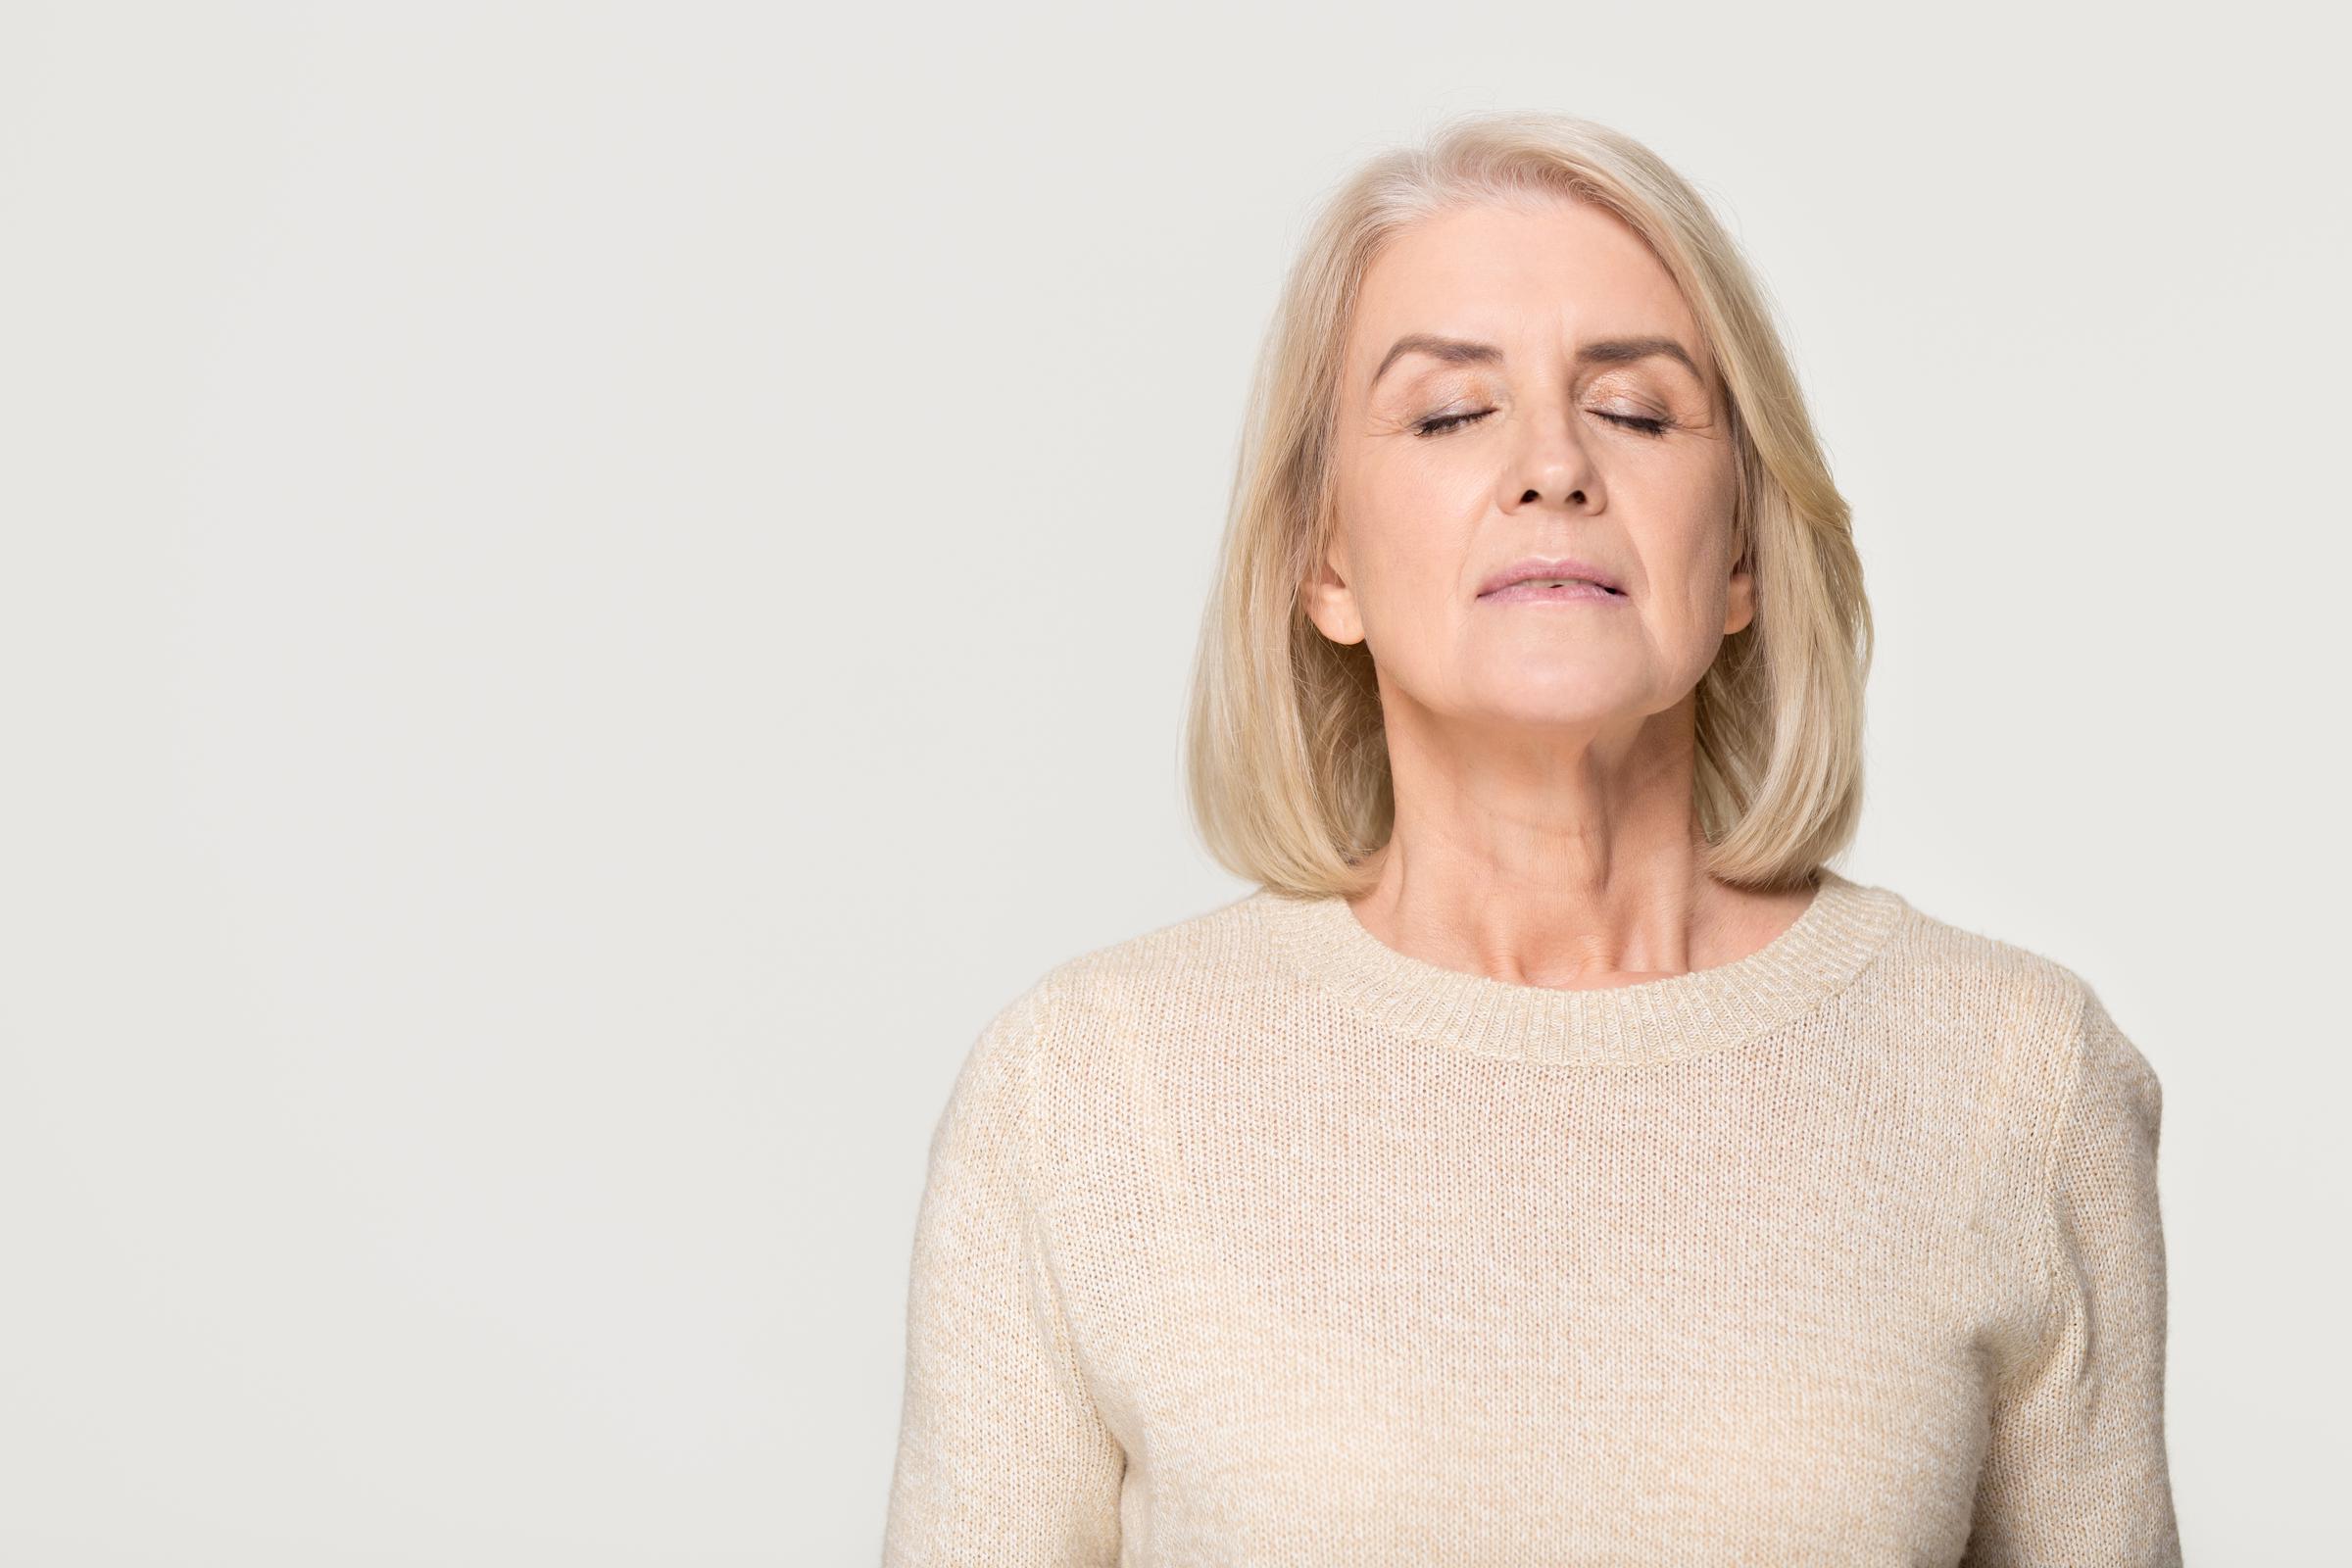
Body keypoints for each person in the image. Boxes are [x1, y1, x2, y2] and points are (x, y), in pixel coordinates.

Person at [880, 110, 2180, 1566]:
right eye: (1448, 414)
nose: (1553, 465)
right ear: (1325, 561)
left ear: (1742, 551)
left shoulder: (2016, 1074)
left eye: (1635, 410)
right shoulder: (1083, 1093)